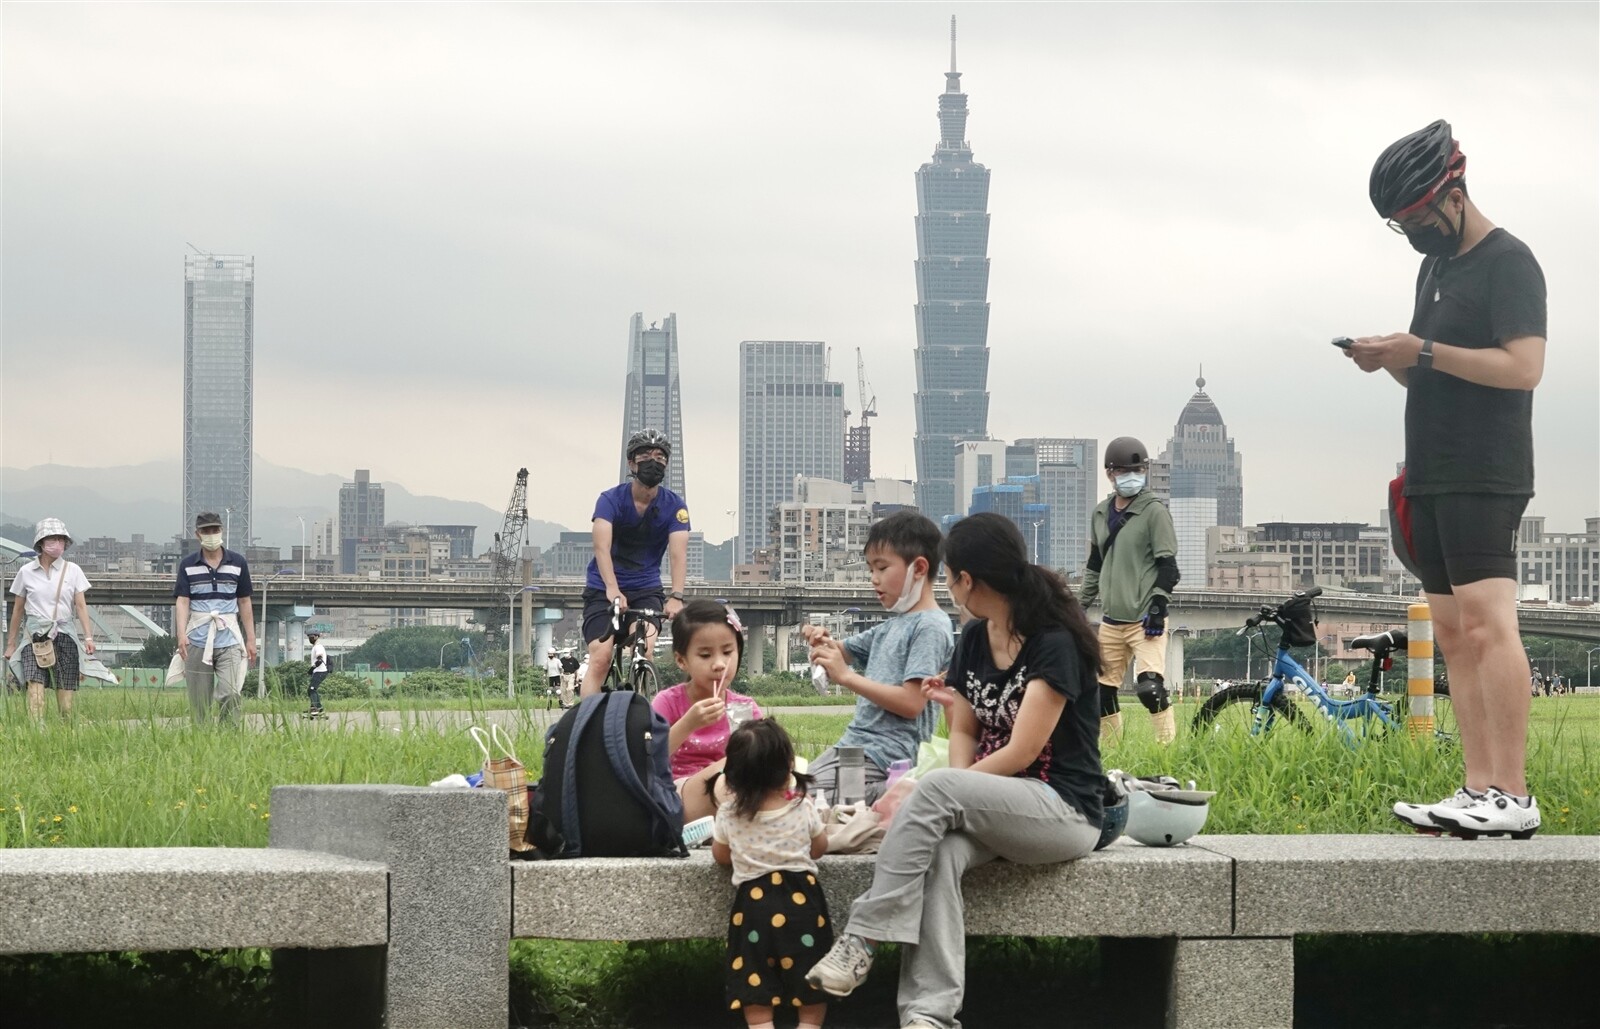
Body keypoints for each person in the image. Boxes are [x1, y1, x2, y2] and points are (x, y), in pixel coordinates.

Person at [804, 512, 1104, 1029]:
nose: (947, 585)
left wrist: (956, 790)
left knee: (941, 789)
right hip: (999, 805)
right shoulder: (972, 639)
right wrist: (958, 797)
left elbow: (1024, 752)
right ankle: (928, 1016)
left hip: (1063, 810)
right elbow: (963, 729)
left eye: (949, 575)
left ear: (968, 580)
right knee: (940, 852)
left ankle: (862, 939)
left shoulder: (1052, 643)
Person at [1356, 120, 1546, 838]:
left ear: (1455, 190)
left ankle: (1515, 793)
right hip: (1428, 472)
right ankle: (1477, 786)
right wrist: (1392, 357)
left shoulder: (1510, 262)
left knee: (1491, 627)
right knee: (1454, 637)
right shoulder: (1433, 268)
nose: (1412, 231)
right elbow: (1429, 362)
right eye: (1398, 224)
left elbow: (1524, 366)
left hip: (1485, 470)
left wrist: (1422, 351)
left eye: (1417, 216)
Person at [802, 511, 954, 805]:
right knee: (791, 795)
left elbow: (912, 703)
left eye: (882, 568)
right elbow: (841, 651)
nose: (874, 579)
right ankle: (877, 803)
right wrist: (821, 640)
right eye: (871, 569)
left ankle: (895, 797)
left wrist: (847, 677)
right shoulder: (893, 625)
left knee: (796, 800)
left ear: (919, 568)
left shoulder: (931, 627)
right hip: (856, 750)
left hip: (885, 758)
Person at [712, 718, 831, 1029]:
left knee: (754, 976)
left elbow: (721, 856)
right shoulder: (802, 807)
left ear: (733, 777)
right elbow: (819, 847)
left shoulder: (729, 814)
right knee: (810, 971)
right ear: (789, 766)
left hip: (754, 906)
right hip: (803, 903)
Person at [1079, 436, 1181, 744]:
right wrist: (1077, 606)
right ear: (1110, 473)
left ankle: (1168, 748)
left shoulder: (1154, 512)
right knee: (1100, 693)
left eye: (1138, 469)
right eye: (1124, 471)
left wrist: (1158, 605)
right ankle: (1115, 752)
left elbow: (1168, 566)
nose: (1132, 476)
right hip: (1112, 621)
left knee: (1150, 688)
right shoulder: (1099, 514)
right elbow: (1095, 565)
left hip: (1145, 620)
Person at [579, 428, 690, 697]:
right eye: (645, 455)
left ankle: (642, 713)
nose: (653, 461)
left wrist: (676, 596)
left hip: (646, 590)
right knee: (601, 658)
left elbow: (678, 553)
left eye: (660, 456)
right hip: (603, 589)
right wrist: (612, 589)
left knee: (645, 648)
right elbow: (601, 548)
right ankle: (582, 727)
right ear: (631, 463)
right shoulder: (610, 500)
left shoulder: (675, 506)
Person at [653, 600, 763, 823]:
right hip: (677, 795)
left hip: (731, 793)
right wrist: (688, 723)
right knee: (729, 777)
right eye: (705, 655)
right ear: (681, 660)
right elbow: (647, 759)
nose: (719, 664)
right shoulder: (668, 702)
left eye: (727, 652)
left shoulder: (744, 707)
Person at [3, 518, 95, 719]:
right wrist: (11, 644)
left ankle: (66, 734)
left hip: (64, 635)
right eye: (52, 539)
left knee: (66, 704)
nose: (57, 543)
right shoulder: (26, 572)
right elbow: (18, 610)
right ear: (42, 543)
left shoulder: (73, 571)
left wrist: (88, 637)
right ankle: (37, 733)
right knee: (35, 692)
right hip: (34, 637)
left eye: (60, 539)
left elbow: (80, 605)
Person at [173, 511, 257, 724]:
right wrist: (181, 634)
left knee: (231, 691)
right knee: (199, 703)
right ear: (198, 534)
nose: (211, 534)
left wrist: (251, 638)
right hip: (198, 639)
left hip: (228, 637)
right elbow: (183, 601)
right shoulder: (188, 565)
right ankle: (201, 740)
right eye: (206, 531)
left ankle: (229, 735)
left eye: (215, 530)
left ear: (222, 531)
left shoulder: (237, 563)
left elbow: (244, 601)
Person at [306, 631, 329, 717]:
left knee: (312, 689)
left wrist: (312, 669)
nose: (310, 638)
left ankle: (314, 708)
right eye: (309, 637)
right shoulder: (315, 647)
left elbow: (319, 660)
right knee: (311, 690)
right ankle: (318, 708)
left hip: (320, 671)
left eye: (312, 637)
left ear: (317, 637)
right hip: (318, 671)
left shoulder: (318, 647)